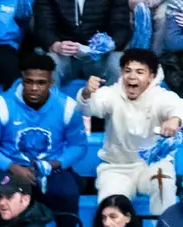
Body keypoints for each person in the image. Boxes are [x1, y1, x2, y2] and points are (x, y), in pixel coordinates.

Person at [0, 51, 89, 219]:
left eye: (41, 82)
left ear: (51, 82)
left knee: (68, 193)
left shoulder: (67, 107)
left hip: (52, 169)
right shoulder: (0, 105)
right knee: (0, 196)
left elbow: (79, 145)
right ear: (22, 78)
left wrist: (55, 164)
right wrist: (14, 168)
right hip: (10, 168)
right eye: (29, 81)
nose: (34, 88)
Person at [78, 51, 183, 211]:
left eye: (140, 72)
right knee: (110, 208)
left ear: (151, 76)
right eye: (128, 71)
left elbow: (178, 107)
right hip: (116, 167)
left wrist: (175, 119)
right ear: (121, 73)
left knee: (164, 184)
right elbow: (89, 108)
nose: (132, 76)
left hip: (153, 164)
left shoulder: (161, 96)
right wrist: (87, 92)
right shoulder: (111, 93)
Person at [36, 0, 131, 84]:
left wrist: (108, 45)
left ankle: (109, 103)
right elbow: (43, 26)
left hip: (101, 55)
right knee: (49, 65)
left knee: (118, 64)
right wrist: (55, 45)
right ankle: (53, 103)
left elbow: (121, 27)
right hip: (64, 54)